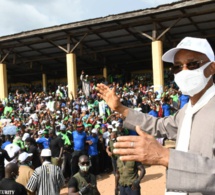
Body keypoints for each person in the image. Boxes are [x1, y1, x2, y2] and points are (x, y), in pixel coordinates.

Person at [97, 37, 215, 194]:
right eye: (177, 67)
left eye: (192, 64)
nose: (184, 71)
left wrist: (165, 156)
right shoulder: (186, 111)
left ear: (212, 68)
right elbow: (159, 125)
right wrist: (121, 109)